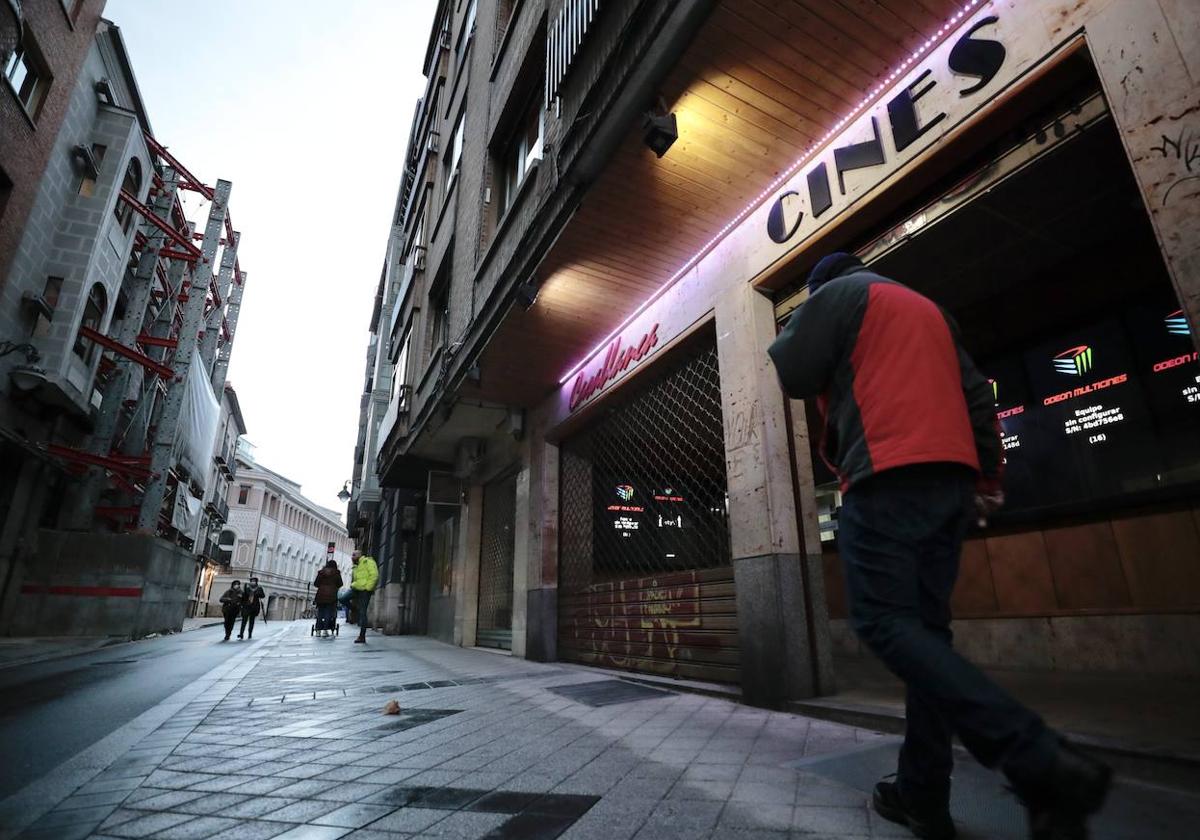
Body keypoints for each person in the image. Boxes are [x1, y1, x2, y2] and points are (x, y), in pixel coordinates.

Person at [768, 253, 1111, 840]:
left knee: (881, 621)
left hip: (887, 474)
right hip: (949, 486)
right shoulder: (928, 310)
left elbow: (794, 370)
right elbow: (978, 397)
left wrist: (805, 320)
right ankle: (923, 793)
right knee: (925, 637)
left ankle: (1036, 757)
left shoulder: (839, 295)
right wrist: (986, 479)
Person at [349, 550, 378, 644]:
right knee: (342, 598)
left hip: (364, 591)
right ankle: (354, 609)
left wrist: (367, 588)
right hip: (356, 589)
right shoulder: (356, 566)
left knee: (363, 612)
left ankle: (362, 636)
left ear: (359, 555)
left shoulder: (368, 562)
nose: (352, 557)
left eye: (354, 555)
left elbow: (374, 575)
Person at [312, 559, 343, 637]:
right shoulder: (336, 573)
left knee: (320, 612)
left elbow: (316, 584)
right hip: (331, 596)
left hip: (320, 595)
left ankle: (318, 630)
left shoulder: (321, 572)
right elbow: (340, 584)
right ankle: (325, 630)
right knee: (328, 612)